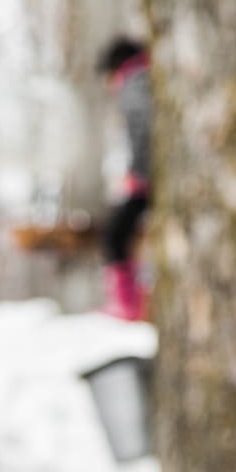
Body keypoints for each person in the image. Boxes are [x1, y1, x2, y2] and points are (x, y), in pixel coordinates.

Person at [96, 36, 153, 322]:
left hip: (148, 177)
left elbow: (143, 131)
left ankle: (127, 304)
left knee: (115, 236)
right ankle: (132, 302)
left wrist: (137, 175)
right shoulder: (145, 77)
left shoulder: (133, 84)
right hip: (150, 174)